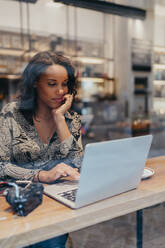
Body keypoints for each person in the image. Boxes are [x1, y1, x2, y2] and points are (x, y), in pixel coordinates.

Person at [0, 51, 83, 248]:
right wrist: (42, 175)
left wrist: (60, 119)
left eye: (64, 84)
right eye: (52, 84)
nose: (61, 91)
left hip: (56, 203)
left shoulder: (71, 119)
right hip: (16, 202)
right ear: (36, 83)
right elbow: (1, 166)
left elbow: (77, 164)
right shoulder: (11, 114)